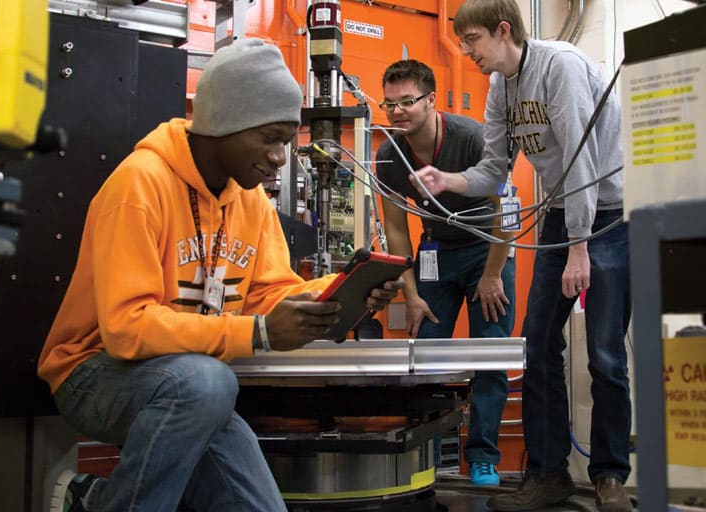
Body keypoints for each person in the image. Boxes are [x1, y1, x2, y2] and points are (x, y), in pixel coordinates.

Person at [38, 38, 402, 512]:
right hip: (94, 370)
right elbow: (126, 329)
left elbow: (270, 292)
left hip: (191, 386)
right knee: (208, 384)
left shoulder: (249, 200)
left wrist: (343, 293)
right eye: (269, 138)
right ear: (225, 122)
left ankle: (98, 501)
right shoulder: (139, 184)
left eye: (286, 143)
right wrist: (258, 333)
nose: (278, 157)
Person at [410, 1, 632, 511]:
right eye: (462, 43)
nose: (466, 53)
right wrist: (448, 180)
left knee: (604, 354)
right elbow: (493, 168)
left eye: (472, 41)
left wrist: (579, 245)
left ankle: (610, 477)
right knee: (536, 345)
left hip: (609, 216)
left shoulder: (563, 68)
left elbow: (581, 161)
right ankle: (548, 471)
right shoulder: (500, 88)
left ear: (502, 30)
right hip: (562, 214)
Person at [375, 59, 515, 487]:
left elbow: (506, 212)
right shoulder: (389, 156)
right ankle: (426, 458)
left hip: (486, 250)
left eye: (408, 102)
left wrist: (492, 275)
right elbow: (397, 228)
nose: (397, 112)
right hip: (435, 251)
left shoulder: (472, 139)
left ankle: (484, 457)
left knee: (490, 353)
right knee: (425, 357)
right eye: (389, 104)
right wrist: (411, 294)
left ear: (431, 100)